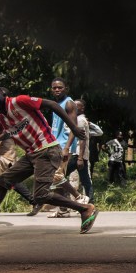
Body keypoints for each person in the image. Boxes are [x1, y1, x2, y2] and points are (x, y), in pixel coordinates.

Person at [0, 87, 98, 235]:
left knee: (40, 195)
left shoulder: (19, 101)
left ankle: (85, 208)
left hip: (47, 149)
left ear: (4, 95)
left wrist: (74, 128)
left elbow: (53, 105)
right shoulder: (1, 119)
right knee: (3, 180)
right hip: (31, 155)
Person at [0, 107, 39, 216]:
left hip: (5, 154)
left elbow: (3, 134)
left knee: (10, 180)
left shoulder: (4, 115)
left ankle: (33, 201)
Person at [46, 77, 85, 218]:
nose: (57, 90)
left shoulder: (68, 103)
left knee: (57, 176)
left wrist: (67, 148)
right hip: (55, 144)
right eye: (54, 88)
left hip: (63, 145)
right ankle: (63, 209)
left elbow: (74, 128)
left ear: (66, 89)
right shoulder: (56, 104)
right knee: (58, 178)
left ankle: (80, 198)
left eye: (60, 87)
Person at [73, 100, 94, 200]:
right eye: (73, 106)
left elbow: (82, 139)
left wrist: (80, 158)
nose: (74, 108)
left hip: (77, 155)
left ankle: (88, 201)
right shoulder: (75, 119)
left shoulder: (80, 120)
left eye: (77, 106)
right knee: (85, 180)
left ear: (82, 108)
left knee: (60, 177)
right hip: (77, 154)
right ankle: (89, 201)